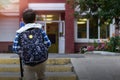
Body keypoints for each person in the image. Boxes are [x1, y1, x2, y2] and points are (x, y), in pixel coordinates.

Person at [12, 9, 51, 80]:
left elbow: (15, 48)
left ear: (23, 20)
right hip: (41, 60)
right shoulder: (40, 30)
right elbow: (48, 43)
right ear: (35, 19)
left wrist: (23, 53)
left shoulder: (19, 32)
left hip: (27, 62)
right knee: (42, 77)